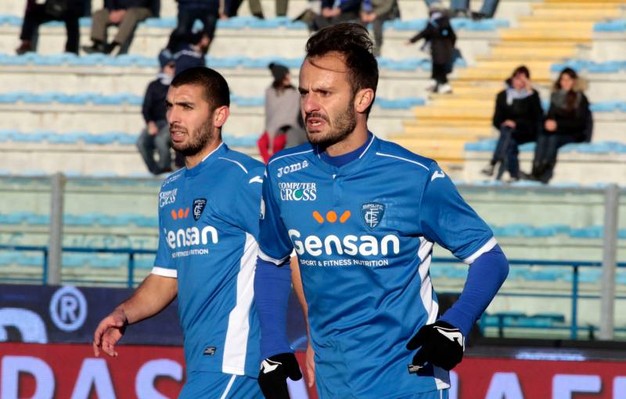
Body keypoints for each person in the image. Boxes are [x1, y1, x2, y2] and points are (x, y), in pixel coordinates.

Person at [253, 23, 509, 399]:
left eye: (324, 93)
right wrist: (273, 346)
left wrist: (456, 323)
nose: (309, 105)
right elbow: (271, 261)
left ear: (362, 99)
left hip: (409, 383)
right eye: (305, 92)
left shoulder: (414, 176)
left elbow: (490, 258)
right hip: (332, 384)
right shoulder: (282, 172)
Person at [93, 67, 265, 399]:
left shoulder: (248, 178)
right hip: (203, 360)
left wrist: (315, 336)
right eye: (170, 106)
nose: (173, 116)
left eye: (186, 107)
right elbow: (166, 276)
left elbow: (294, 255)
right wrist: (122, 313)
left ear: (220, 116)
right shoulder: (171, 189)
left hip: (235, 359)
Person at [525, 67, 593, 184]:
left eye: (568, 80)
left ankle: (545, 172)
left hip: (574, 133)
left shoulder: (580, 98)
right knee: (542, 137)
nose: (565, 83)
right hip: (557, 130)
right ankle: (536, 169)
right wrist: (548, 123)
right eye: (563, 80)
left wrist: (558, 125)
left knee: (553, 140)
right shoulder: (555, 97)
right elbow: (550, 115)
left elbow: (579, 122)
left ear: (574, 81)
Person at [481, 65, 543, 181]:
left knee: (508, 133)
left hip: (526, 131)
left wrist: (516, 123)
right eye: (517, 78)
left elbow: (537, 117)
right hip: (509, 132)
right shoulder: (503, 96)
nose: (520, 83)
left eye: (523, 80)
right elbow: (496, 119)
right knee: (510, 140)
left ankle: (494, 163)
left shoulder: (532, 96)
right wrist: (506, 123)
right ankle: (513, 174)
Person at [136, 50, 176, 175]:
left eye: (174, 66)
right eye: (170, 66)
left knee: (160, 139)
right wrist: (150, 123)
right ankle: (155, 170)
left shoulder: (178, 85)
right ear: (163, 67)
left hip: (172, 122)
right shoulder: (153, 86)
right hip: (157, 123)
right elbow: (146, 108)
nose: (173, 69)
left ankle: (165, 167)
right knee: (141, 142)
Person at [257, 62, 305, 163]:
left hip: (288, 130)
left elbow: (292, 116)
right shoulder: (269, 92)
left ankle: (275, 165)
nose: (289, 77)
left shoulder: (294, 94)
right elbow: (270, 115)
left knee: (279, 143)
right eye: (287, 74)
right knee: (261, 143)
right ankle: (270, 165)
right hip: (271, 130)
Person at [407, 1, 457, 94]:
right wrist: (451, 46)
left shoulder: (433, 23)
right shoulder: (445, 22)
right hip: (445, 50)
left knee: (439, 68)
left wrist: (411, 40)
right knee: (437, 67)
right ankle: (435, 83)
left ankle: (443, 85)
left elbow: (424, 33)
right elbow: (453, 36)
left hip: (437, 50)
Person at [82, 0, 154, 55]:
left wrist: (124, 12)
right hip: (117, 10)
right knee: (99, 14)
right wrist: (112, 11)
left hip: (140, 9)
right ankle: (98, 44)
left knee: (131, 14)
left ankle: (115, 44)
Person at [15, 0, 84, 55]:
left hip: (69, 8)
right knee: (32, 12)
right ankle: (26, 42)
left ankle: (71, 50)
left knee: (73, 19)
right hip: (51, 6)